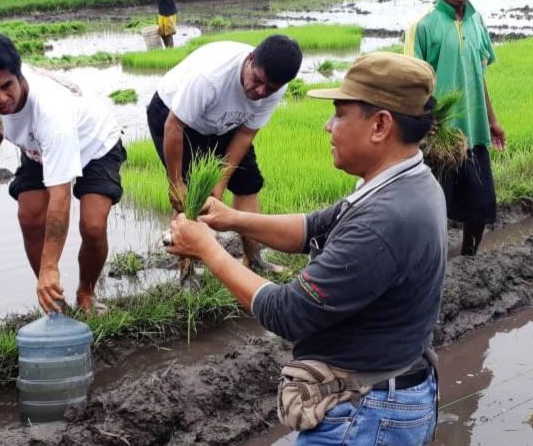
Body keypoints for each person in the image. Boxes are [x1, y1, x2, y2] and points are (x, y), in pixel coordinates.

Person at [166, 52, 446, 445]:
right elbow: (314, 227)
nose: (328, 126)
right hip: (384, 393)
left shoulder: (385, 220)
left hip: (366, 414)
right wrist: (232, 218)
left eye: (340, 114)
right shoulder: (406, 181)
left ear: (380, 125)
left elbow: (288, 312)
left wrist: (208, 250)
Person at [0, 31, 125, 314]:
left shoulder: (51, 113)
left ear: (19, 74)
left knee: (93, 226)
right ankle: (54, 302)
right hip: (40, 150)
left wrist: (50, 264)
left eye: (7, 86)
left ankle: (86, 294)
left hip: (94, 144)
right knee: (30, 217)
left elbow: (59, 199)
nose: (0, 98)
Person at [147, 35, 302, 272]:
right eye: (257, 80)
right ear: (250, 60)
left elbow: (245, 135)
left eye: (269, 88)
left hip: (225, 123)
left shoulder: (275, 87)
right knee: (189, 194)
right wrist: (175, 182)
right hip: (174, 117)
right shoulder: (210, 78)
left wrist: (220, 182)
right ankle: (186, 273)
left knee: (248, 183)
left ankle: (254, 260)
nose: (260, 91)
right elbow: (174, 126)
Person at [405, 0, 505, 256]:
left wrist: (492, 121)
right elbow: (410, 83)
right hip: (440, 138)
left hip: (473, 134)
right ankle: (432, 269)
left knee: (480, 205)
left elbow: (480, 75)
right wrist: (424, 120)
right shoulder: (423, 26)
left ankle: (469, 261)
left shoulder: (477, 21)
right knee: (434, 210)